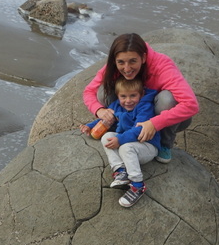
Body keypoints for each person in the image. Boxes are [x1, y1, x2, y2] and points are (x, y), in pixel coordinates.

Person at [82, 32, 198, 164]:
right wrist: (99, 110)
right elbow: (89, 91)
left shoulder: (162, 65)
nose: (126, 68)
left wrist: (154, 123)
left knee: (167, 99)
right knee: (103, 92)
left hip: (155, 111)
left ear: (143, 57)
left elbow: (191, 104)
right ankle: (117, 125)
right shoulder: (114, 65)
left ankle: (164, 144)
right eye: (121, 62)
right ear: (115, 60)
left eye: (133, 61)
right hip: (130, 108)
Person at [80, 77, 160, 207]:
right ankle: (121, 171)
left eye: (133, 95)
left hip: (147, 145)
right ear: (118, 96)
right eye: (123, 96)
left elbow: (139, 130)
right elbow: (106, 118)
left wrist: (120, 139)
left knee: (125, 148)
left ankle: (138, 185)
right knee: (107, 137)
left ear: (141, 94)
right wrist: (90, 126)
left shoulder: (145, 107)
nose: (128, 101)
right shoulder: (116, 105)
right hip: (129, 143)